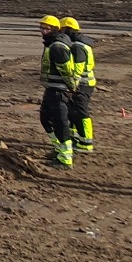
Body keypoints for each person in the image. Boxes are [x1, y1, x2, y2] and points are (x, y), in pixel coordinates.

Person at [37, 16, 79, 167]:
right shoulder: (52, 44)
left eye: (46, 28)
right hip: (52, 88)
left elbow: (67, 70)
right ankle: (59, 148)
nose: (43, 31)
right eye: (41, 28)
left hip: (58, 90)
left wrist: (71, 88)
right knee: (46, 118)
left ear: (54, 29)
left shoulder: (57, 47)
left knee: (60, 122)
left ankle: (65, 157)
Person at [61, 16, 97, 152]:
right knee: (74, 111)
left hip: (82, 83)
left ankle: (86, 142)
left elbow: (78, 68)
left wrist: (72, 84)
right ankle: (77, 137)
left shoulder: (77, 46)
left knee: (81, 111)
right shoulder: (81, 43)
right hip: (84, 83)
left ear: (68, 29)